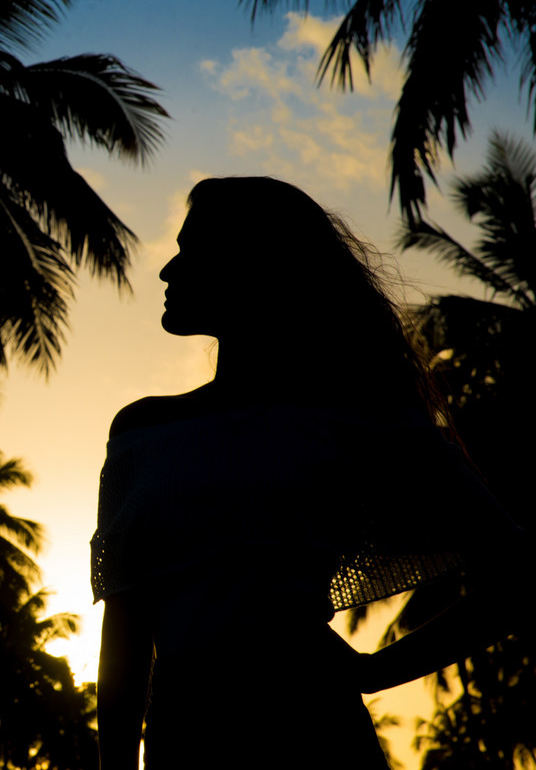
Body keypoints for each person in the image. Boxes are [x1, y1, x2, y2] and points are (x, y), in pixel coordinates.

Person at [91, 177, 527, 769]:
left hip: (315, 732)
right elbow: (126, 627)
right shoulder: (142, 430)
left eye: (191, 250)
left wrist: (375, 671)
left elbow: (517, 573)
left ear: (254, 266)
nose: (168, 271)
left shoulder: (360, 420)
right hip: (183, 740)